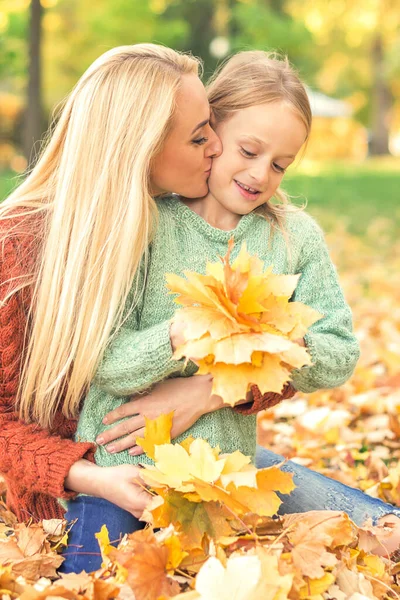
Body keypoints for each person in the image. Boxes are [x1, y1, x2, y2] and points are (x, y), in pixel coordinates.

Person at [72, 50, 400, 572]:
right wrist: (181, 333)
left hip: (227, 481)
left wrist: (255, 348)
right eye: (248, 150)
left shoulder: (292, 238)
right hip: (125, 470)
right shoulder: (149, 225)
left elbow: (339, 353)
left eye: (280, 164)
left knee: (385, 530)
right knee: (91, 573)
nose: (260, 174)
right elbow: (105, 362)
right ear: (211, 131)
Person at [0, 43, 240, 542]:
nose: (218, 146)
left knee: (367, 524)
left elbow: (282, 347)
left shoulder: (186, 228)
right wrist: (93, 477)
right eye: (199, 137)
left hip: (193, 462)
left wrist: (206, 393)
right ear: (140, 147)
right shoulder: (19, 246)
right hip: (77, 498)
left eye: (212, 126)